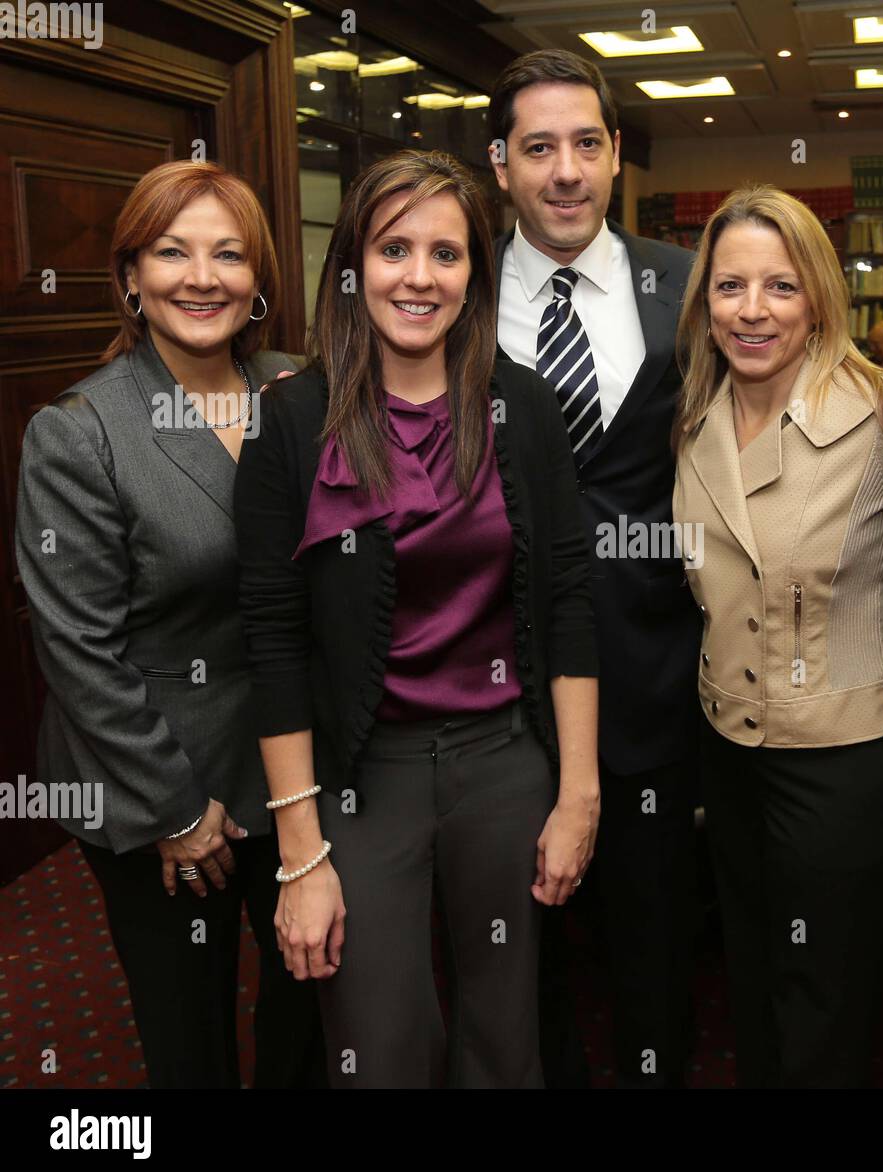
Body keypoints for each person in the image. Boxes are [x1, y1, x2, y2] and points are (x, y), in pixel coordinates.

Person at [233, 149, 599, 1088]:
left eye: (447, 252)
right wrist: (299, 851)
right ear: (353, 265)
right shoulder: (293, 418)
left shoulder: (524, 404)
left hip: (506, 759)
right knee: (379, 1041)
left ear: (477, 270)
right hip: (364, 774)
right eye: (395, 248)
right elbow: (272, 639)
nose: (420, 276)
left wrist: (579, 792)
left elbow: (567, 598)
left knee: (507, 1039)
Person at [15, 160, 325, 1088]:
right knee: (188, 1036)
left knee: (305, 1011)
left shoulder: (298, 389)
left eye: (228, 254)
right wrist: (176, 810)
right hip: (159, 785)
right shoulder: (79, 431)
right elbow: (76, 650)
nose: (202, 277)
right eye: (171, 252)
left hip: (291, 768)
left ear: (259, 279)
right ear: (130, 279)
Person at [672, 185, 883, 1087]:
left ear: (818, 293)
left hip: (844, 760)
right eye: (729, 286)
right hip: (729, 749)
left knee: (827, 992)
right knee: (752, 969)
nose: (751, 309)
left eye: (780, 286)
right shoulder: (695, 420)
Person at [488, 48, 700, 1088]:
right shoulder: (443, 284)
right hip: (487, 679)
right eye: (538, 148)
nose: (564, 171)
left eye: (585, 144)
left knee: (653, 941)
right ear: (500, 166)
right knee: (515, 949)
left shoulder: (689, 284)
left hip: (654, 671)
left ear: (616, 156)